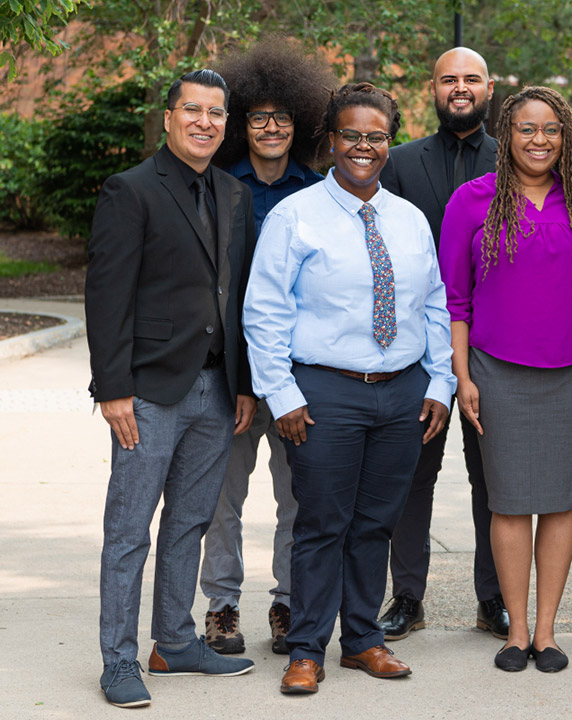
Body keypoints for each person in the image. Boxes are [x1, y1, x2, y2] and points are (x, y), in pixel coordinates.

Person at [242, 82, 455, 694]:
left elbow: (435, 306)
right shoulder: (296, 215)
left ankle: (361, 639)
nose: (365, 147)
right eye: (352, 135)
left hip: (402, 394)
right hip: (324, 393)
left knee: (375, 523)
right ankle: (306, 648)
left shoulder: (410, 219)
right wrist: (281, 395)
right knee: (321, 524)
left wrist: (439, 383)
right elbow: (265, 312)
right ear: (331, 140)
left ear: (390, 142)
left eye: (377, 136)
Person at [440, 86, 572, 673]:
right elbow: (454, 301)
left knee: (561, 500)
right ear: (508, 135)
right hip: (497, 372)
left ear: (566, 136)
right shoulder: (471, 202)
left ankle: (547, 632)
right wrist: (462, 375)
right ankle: (515, 632)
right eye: (527, 129)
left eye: (551, 129)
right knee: (511, 502)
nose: (540, 140)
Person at [86, 69, 257, 708]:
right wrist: (112, 387)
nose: (206, 122)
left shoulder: (232, 194)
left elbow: (232, 297)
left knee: (189, 523)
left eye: (217, 113)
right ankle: (119, 660)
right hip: (149, 393)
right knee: (130, 528)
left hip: (216, 391)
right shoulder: (129, 191)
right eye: (194, 110)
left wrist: (241, 385)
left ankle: (175, 642)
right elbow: (106, 297)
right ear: (168, 116)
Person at [200, 38, 337, 657]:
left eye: (284, 117)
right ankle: (222, 608)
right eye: (259, 117)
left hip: (297, 378)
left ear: (302, 124)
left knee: (298, 501)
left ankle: (287, 606)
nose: (273, 127)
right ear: (241, 125)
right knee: (221, 501)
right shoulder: (216, 190)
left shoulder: (318, 192)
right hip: (230, 377)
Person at [377, 47, 506, 641]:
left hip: (495, 345)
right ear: (431, 87)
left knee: (493, 477)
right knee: (411, 473)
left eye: (471, 79)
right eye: (449, 78)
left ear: (490, 87)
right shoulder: (398, 164)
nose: (460, 87)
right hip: (418, 344)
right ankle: (407, 596)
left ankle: (495, 597)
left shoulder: (516, 160)